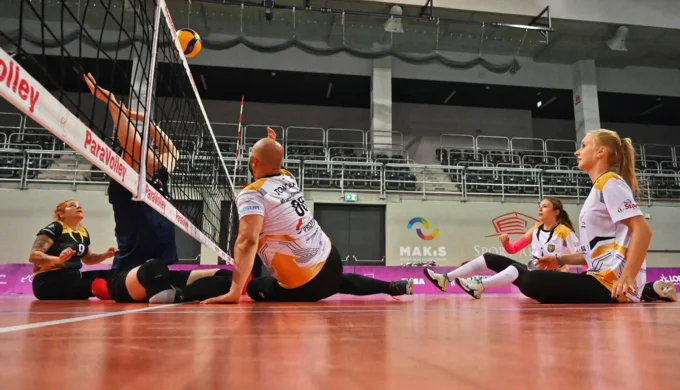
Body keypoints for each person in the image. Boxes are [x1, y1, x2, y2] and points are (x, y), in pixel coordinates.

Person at [429, 129, 677, 304]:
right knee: (513, 268)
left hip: (610, 286)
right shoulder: (598, 188)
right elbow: (592, 253)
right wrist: (559, 259)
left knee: (529, 280)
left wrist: (628, 277)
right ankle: (650, 291)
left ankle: (645, 291)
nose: (577, 152)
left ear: (601, 152)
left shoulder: (609, 182)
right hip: (599, 279)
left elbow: (643, 230)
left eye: (584, 146)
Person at [201, 129, 413, 304]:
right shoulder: (288, 177)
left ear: (254, 161)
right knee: (335, 281)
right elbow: (274, 164)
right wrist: (272, 146)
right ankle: (392, 286)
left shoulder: (251, 194)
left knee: (255, 287)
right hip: (331, 260)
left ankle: (252, 289)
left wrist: (234, 292)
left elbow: (247, 241)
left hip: (306, 283)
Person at [83, 73, 232, 303]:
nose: (153, 150)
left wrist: (145, 120)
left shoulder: (161, 178)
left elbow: (171, 150)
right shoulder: (127, 183)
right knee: (152, 269)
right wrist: (112, 103)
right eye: (149, 149)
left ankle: (177, 295)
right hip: (129, 274)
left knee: (226, 277)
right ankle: (154, 291)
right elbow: (132, 146)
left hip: (162, 272)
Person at [424, 198, 580, 298]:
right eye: (539, 206)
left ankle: (480, 285)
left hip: (551, 280)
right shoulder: (536, 229)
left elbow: (584, 256)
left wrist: (584, 276)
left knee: (516, 268)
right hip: (532, 273)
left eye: (544, 207)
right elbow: (513, 249)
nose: (540, 209)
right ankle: (445, 279)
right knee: (489, 258)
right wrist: (506, 243)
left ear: (556, 212)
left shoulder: (565, 232)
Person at [29, 200, 116, 300]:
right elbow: (33, 256)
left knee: (113, 275)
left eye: (80, 206)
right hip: (48, 280)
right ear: (61, 214)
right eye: (72, 205)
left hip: (74, 277)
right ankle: (109, 294)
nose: (78, 207)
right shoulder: (56, 227)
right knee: (94, 284)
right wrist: (58, 259)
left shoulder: (83, 232)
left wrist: (106, 255)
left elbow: (88, 259)